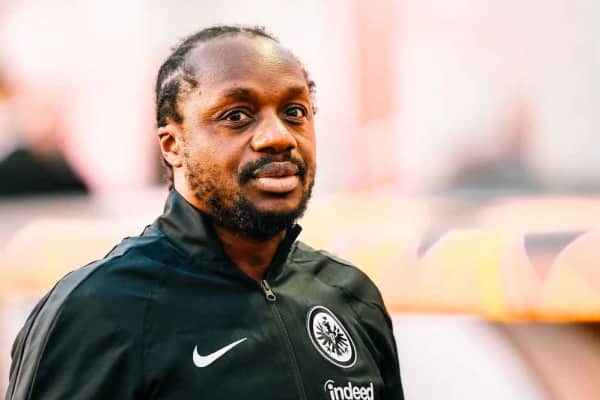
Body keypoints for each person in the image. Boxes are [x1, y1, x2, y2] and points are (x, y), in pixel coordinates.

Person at [5, 25, 404, 399]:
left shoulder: (351, 296)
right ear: (172, 145)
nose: (278, 137)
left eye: (294, 112)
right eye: (237, 116)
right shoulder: (99, 310)